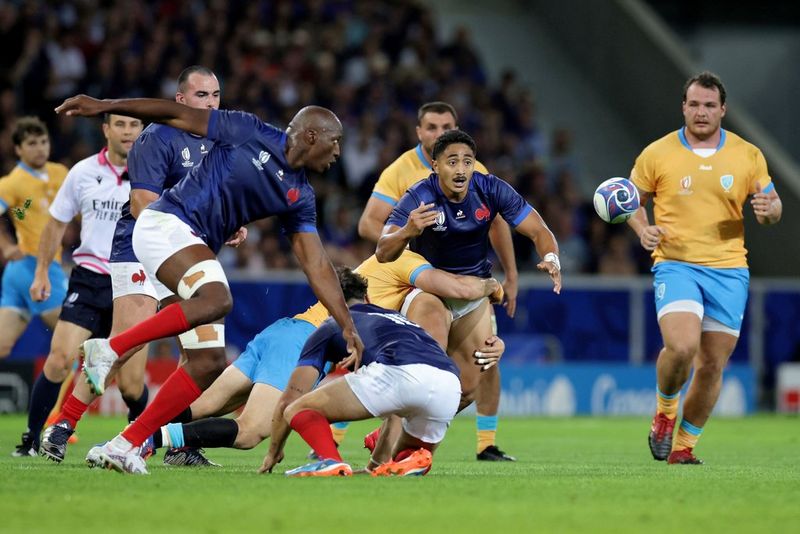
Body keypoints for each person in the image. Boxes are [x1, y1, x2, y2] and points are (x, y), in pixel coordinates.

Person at [55, 94, 364, 474]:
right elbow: (174, 112)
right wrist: (103, 104)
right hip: (164, 224)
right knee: (218, 298)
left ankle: (125, 444)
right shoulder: (248, 131)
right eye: (336, 143)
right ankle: (109, 350)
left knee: (207, 363)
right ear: (313, 136)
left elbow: (316, 264)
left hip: (189, 245)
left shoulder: (300, 197)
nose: (338, 154)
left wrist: (347, 325)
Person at [141, 251, 504, 466]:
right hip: (303, 340)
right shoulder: (404, 261)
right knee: (251, 432)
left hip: (284, 328)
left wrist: (494, 338)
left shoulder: (383, 272)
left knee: (205, 405)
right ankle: (153, 442)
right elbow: (461, 290)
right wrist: (493, 285)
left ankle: (127, 438)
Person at [40, 66, 225, 466]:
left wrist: (229, 224)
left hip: (191, 250)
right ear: (180, 100)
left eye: (215, 95)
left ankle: (179, 444)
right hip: (142, 246)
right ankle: (63, 424)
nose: (210, 103)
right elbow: (142, 205)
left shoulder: (219, 141)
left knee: (200, 354)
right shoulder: (157, 137)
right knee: (127, 342)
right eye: (201, 96)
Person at [628, 72, 782, 465]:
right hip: (676, 263)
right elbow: (629, 200)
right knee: (682, 347)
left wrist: (769, 212)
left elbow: (771, 203)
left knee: (712, 365)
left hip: (729, 269)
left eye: (709, 105)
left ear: (723, 110)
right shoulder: (657, 154)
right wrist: (643, 230)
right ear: (683, 107)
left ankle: (683, 448)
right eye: (694, 104)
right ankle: (665, 412)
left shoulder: (747, 154)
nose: (701, 112)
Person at [358, 101, 519, 462]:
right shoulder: (400, 172)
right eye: (431, 127)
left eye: (445, 125)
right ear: (419, 132)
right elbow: (369, 225)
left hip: (470, 279)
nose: (438, 133)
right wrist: (406, 237)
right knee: (422, 371)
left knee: (477, 370)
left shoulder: (470, 168)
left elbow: (495, 221)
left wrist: (511, 273)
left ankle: (483, 442)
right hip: (422, 280)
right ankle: (370, 442)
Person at [377, 130, 561, 438]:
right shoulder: (420, 195)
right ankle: (391, 440)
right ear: (435, 166)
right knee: (428, 376)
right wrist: (407, 231)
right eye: (452, 162)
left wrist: (552, 258)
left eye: (467, 161)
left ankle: (400, 437)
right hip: (431, 291)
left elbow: (538, 229)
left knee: (467, 388)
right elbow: (383, 250)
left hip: (473, 295)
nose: (461, 169)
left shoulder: (490, 189)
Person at [17, 113, 143, 460]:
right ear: (106, 130)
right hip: (89, 279)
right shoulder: (83, 172)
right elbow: (56, 224)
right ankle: (30, 441)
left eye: (134, 125)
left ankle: (137, 447)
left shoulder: (155, 173)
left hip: (133, 283)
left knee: (132, 387)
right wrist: (42, 271)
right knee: (58, 360)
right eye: (120, 124)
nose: (128, 131)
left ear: (143, 130)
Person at [258, 268, 462, 477]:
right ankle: (415, 459)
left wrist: (273, 451)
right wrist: (372, 467)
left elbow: (289, 400)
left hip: (400, 373)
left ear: (327, 302)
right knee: (404, 459)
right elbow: (396, 412)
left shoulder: (332, 325)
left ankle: (331, 461)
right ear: (367, 297)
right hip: (450, 383)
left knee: (297, 409)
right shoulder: (396, 318)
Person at [0, 118, 68, 366]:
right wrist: (6, 246)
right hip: (36, 267)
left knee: (2, 345)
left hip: (18, 273)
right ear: (18, 149)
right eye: (31, 143)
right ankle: (66, 406)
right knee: (71, 342)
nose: (40, 148)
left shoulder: (59, 172)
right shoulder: (12, 182)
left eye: (43, 141)